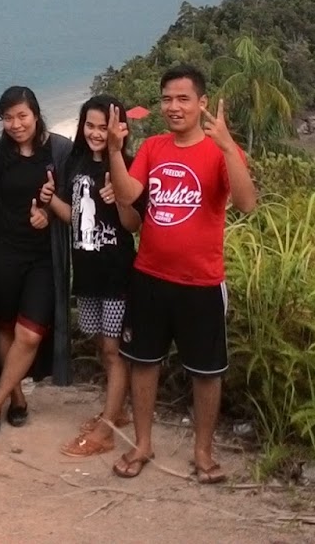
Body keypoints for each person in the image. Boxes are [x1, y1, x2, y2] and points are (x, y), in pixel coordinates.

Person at [104, 66, 256, 484]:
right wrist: (115, 152)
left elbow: (246, 204)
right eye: (167, 99)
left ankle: (203, 453)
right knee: (143, 363)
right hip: (149, 276)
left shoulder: (221, 152)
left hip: (202, 282)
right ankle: (142, 444)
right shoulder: (153, 147)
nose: (174, 107)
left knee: (207, 372)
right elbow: (128, 196)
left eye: (183, 99)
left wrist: (228, 148)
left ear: (202, 103)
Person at [0, 86, 74, 438]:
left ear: (36, 114)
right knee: (4, 327)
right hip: (5, 252)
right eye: (8, 117)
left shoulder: (59, 150)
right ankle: (16, 396)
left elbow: (72, 201)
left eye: (22, 116)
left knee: (29, 334)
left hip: (44, 257)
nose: (16, 124)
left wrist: (48, 212)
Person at [48, 94, 140, 457]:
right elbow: (74, 218)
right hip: (87, 272)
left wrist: (120, 197)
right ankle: (118, 410)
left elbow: (132, 225)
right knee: (103, 346)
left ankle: (107, 429)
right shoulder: (76, 163)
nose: (97, 133)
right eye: (90, 125)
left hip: (117, 273)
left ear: (121, 130)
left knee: (114, 351)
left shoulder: (127, 166)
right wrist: (49, 200)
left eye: (105, 127)